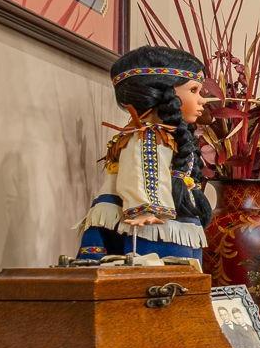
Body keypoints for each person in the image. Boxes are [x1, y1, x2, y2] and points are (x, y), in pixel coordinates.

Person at [73, 45, 214, 266]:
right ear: (165, 93)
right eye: (194, 90)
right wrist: (144, 207)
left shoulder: (167, 137)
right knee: (156, 272)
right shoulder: (147, 136)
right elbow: (138, 170)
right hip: (147, 222)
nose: (202, 100)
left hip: (165, 217)